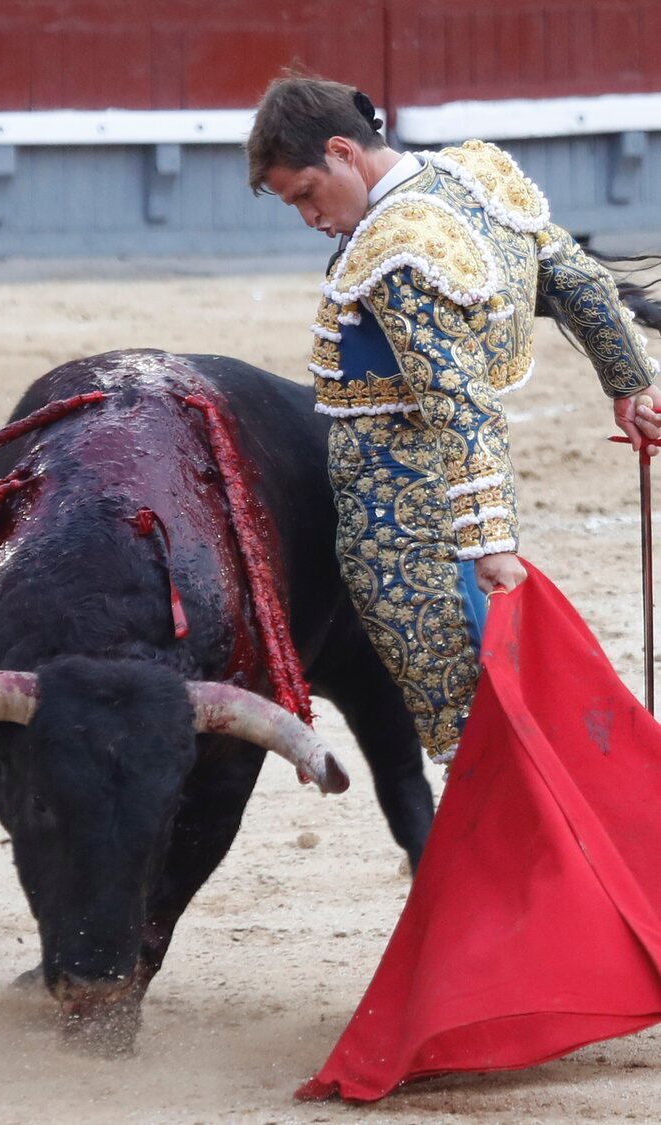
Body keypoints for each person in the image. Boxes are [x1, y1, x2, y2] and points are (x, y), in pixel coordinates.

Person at [246, 72, 661, 763]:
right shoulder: (473, 174)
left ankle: (513, 839)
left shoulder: (398, 250)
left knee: (465, 718)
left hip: (403, 521)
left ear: (344, 152)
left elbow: (460, 401)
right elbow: (577, 279)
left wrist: (493, 542)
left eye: (307, 195)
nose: (310, 219)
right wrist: (632, 385)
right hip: (452, 494)